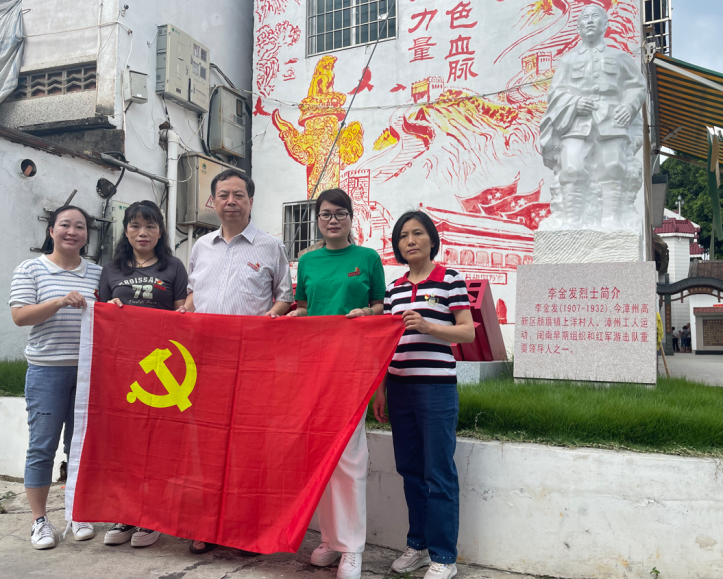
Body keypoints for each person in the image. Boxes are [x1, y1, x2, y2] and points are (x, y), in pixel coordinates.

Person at [180, 168, 293, 553]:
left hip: (252, 364)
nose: (231, 201)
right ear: (212, 201)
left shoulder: (270, 246)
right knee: (206, 445)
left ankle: (245, 529)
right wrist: (185, 311)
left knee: (249, 445)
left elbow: (284, 296)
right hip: (204, 363)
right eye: (223, 195)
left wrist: (267, 321)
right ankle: (206, 526)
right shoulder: (200, 246)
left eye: (239, 195)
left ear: (250, 201)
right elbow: (193, 293)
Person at [287, 188, 386, 579]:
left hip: (351, 369)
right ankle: (330, 539)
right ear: (317, 219)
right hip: (313, 369)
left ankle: (352, 547)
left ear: (350, 218)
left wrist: (367, 313)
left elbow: (380, 307)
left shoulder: (367, 258)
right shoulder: (308, 262)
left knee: (350, 455)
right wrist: (287, 319)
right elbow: (304, 308)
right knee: (321, 456)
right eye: (326, 214)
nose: (333, 220)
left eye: (340, 213)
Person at [373, 210, 475, 579]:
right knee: (411, 470)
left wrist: (428, 326)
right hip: (399, 388)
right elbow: (387, 343)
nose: (410, 241)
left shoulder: (450, 279)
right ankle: (417, 545)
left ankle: (444, 557)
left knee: (439, 472)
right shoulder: (395, 288)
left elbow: (467, 332)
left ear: (432, 239)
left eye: (417, 233)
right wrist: (381, 389)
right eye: (403, 236)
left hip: (436, 389)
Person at [9, 205, 102, 550]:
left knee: (80, 447)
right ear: (51, 231)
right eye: (65, 225)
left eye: (80, 227)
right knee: (42, 446)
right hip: (46, 370)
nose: (72, 232)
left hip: (89, 373)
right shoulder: (31, 268)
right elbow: (20, 316)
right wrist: (60, 302)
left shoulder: (98, 273)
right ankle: (39, 520)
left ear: (87, 235)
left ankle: (78, 512)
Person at [99, 200, 188, 548]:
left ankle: (152, 517)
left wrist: (183, 313)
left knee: (158, 443)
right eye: (135, 225)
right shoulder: (111, 270)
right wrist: (110, 309)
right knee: (126, 442)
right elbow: (102, 317)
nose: (143, 233)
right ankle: (125, 513)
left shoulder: (173, 267)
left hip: (162, 369)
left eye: (150, 226)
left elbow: (182, 315)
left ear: (160, 231)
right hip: (123, 369)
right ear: (126, 231)